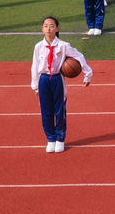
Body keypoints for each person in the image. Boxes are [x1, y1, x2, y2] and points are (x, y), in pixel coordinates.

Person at [31, 16, 92, 153]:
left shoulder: (63, 46)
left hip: (57, 79)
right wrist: (35, 85)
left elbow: (79, 56)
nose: (48, 28)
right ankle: (50, 139)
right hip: (43, 80)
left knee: (59, 111)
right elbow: (34, 66)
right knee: (46, 112)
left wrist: (87, 74)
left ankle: (60, 138)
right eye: (46, 26)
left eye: (52, 26)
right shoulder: (38, 47)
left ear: (57, 29)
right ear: (42, 29)